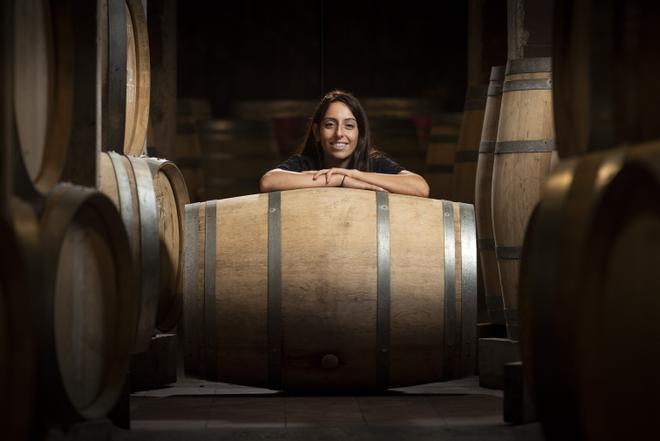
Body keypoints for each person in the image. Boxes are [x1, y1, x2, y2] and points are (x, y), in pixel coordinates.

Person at [259, 90, 430, 197]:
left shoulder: (374, 163)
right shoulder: (306, 162)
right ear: (317, 132)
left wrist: (354, 175)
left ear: (360, 133)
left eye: (349, 125)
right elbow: (269, 181)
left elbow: (420, 187)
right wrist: (340, 180)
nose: (339, 133)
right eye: (330, 125)